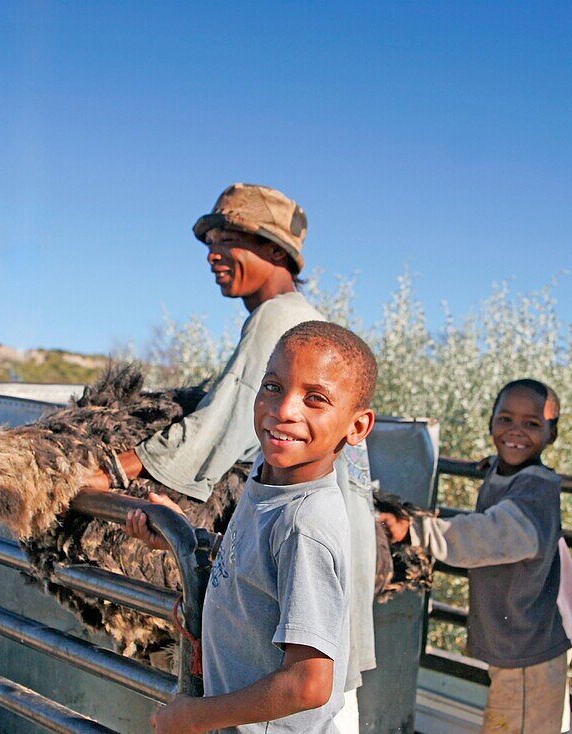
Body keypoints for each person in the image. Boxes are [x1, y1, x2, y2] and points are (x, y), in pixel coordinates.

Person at [84, 183, 378, 722]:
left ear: (275, 253)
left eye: (232, 240)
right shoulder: (278, 474)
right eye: (210, 241)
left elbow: (214, 428)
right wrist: (186, 535)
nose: (214, 253)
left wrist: (108, 473)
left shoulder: (280, 322)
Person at [125, 321, 377, 733]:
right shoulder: (269, 474)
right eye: (274, 387)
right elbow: (257, 566)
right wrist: (186, 539)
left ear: (357, 427)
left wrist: (194, 716)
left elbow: (308, 684)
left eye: (315, 399)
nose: (284, 410)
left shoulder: (305, 523)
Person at [379, 379, 572, 734]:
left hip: (530, 651)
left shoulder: (536, 490)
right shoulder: (506, 472)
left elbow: (490, 535)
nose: (516, 431)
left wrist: (416, 529)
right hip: (518, 643)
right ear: (491, 423)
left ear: (552, 434)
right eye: (506, 420)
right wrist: (496, 464)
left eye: (532, 424)